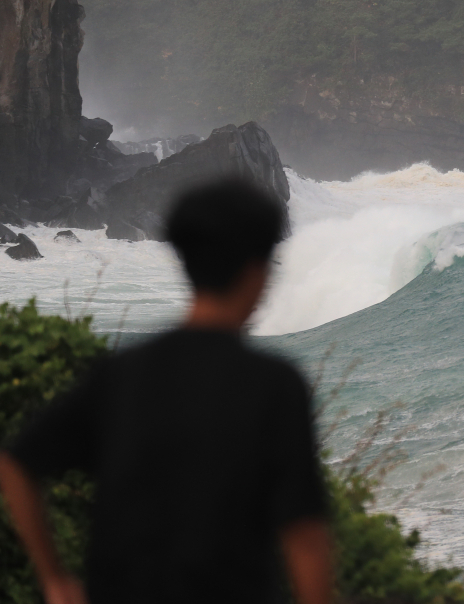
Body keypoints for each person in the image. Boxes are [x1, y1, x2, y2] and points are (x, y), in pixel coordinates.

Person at [0, 178, 331, 604]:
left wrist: (55, 580)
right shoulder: (274, 385)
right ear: (257, 272)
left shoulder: (122, 373)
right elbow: (304, 533)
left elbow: (17, 464)